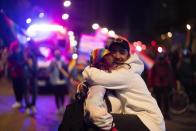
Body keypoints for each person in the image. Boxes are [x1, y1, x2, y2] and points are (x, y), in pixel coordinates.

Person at [82, 38, 165, 131]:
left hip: (148, 121)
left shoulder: (127, 73)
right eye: (113, 52)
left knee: (99, 124)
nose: (117, 56)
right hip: (141, 118)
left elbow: (96, 78)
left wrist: (89, 68)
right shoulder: (122, 70)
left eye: (122, 52)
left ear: (128, 55)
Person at [148, 53, 175, 119]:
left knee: (164, 100)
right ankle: (162, 114)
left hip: (162, 85)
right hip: (159, 85)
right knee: (161, 100)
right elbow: (152, 75)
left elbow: (170, 75)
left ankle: (164, 114)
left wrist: (150, 85)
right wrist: (150, 85)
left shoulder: (165, 64)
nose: (161, 61)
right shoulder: (160, 65)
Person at [49, 48, 69, 114]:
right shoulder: (52, 62)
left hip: (63, 81)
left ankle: (62, 107)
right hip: (56, 81)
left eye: (58, 53)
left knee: (62, 95)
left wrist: (65, 65)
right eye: (56, 54)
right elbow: (49, 70)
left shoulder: (64, 61)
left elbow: (67, 71)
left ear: (60, 54)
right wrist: (52, 66)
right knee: (56, 96)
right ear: (54, 54)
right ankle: (58, 108)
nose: (57, 55)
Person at [8, 41, 26, 109]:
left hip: (18, 74)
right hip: (17, 74)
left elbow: (21, 62)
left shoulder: (17, 55)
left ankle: (19, 101)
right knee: (18, 88)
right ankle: (19, 101)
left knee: (18, 88)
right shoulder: (16, 55)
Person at [23, 50, 38, 115]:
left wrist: (30, 66)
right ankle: (27, 107)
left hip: (33, 80)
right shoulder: (23, 63)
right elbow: (22, 72)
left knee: (34, 93)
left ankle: (33, 105)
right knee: (26, 94)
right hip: (26, 80)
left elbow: (35, 72)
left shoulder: (34, 63)